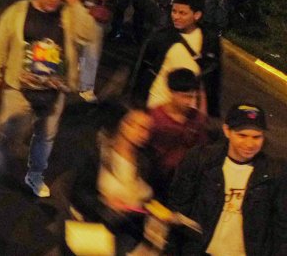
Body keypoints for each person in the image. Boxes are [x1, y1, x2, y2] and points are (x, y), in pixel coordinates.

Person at [0, 0, 98, 197]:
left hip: (55, 88)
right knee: (9, 130)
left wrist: (76, 6)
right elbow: (0, 41)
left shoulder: (69, 13)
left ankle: (35, 174)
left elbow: (88, 36)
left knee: (46, 135)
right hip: (19, 87)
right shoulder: (17, 12)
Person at [168, 103, 286, 255]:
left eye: (257, 137)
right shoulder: (201, 160)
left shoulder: (274, 173)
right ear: (227, 131)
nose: (249, 144)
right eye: (242, 135)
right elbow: (179, 207)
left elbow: (281, 226)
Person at [68, 105, 156, 254]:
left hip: (127, 227)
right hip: (96, 225)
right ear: (124, 125)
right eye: (141, 128)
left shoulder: (144, 161)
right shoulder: (98, 153)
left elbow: (149, 197)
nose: (145, 135)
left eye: (148, 130)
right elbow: (79, 194)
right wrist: (106, 204)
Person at [145, 69, 210, 199]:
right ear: (171, 92)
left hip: (183, 182)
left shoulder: (196, 118)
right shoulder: (155, 118)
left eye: (191, 97)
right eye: (184, 96)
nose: (188, 102)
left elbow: (203, 149)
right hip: (155, 178)